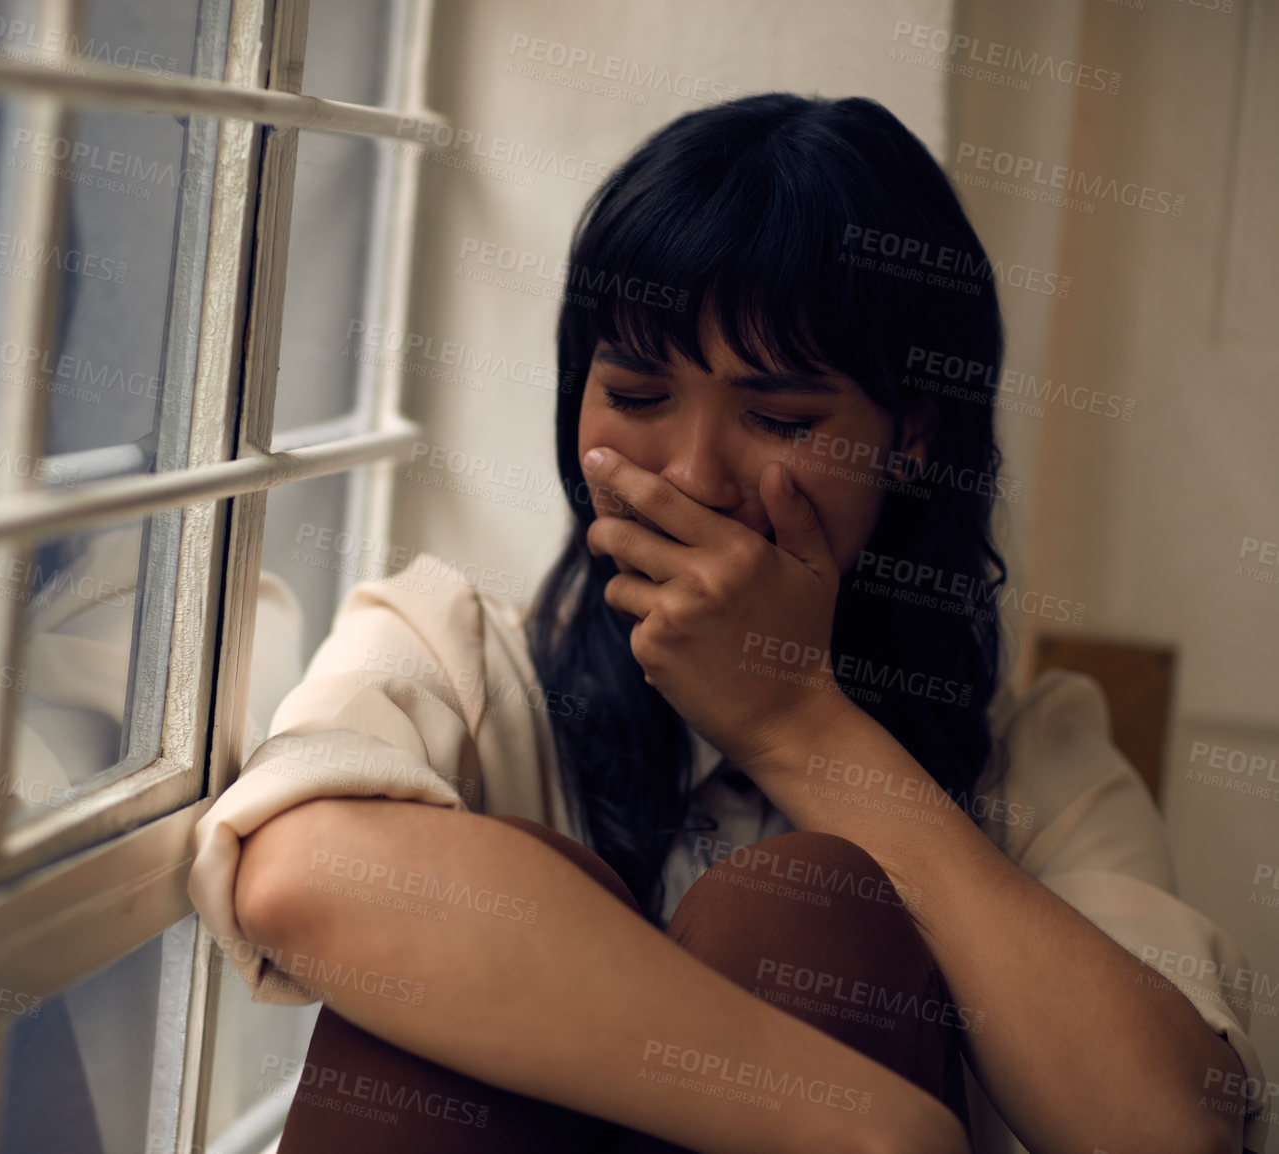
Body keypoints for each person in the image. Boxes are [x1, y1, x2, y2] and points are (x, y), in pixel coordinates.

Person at [189, 94, 1267, 1154]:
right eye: (638, 393)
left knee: (805, 913)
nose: (696, 474)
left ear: (911, 439)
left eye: (780, 418)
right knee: (455, 915)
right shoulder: (455, 655)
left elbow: (1168, 1130)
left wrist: (797, 723)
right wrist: (859, 1120)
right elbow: (292, 873)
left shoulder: (1036, 764)